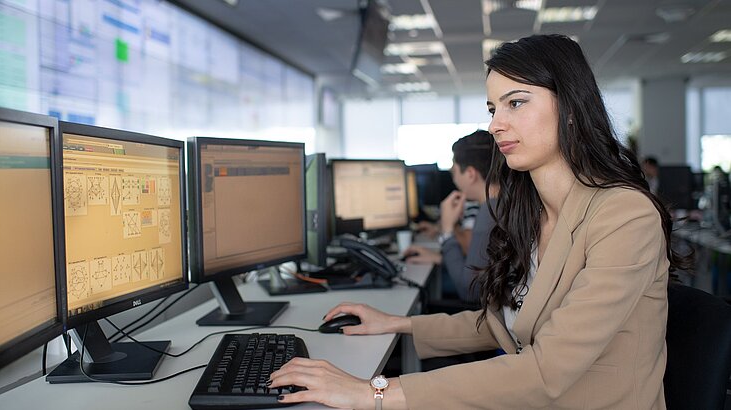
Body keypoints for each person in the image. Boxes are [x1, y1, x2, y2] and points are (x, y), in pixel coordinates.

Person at [269, 34, 689, 409]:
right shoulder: (533, 212)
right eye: (493, 107)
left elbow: (548, 370)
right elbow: (504, 325)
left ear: (571, 109)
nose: (495, 124)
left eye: (516, 102)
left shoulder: (624, 216)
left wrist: (373, 392)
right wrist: (399, 323)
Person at [405, 130, 499, 303]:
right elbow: (486, 269)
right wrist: (441, 259)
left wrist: (448, 229)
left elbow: (469, 291)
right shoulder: (502, 204)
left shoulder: (489, 213)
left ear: (470, 174)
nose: (454, 179)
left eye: (454, 171)